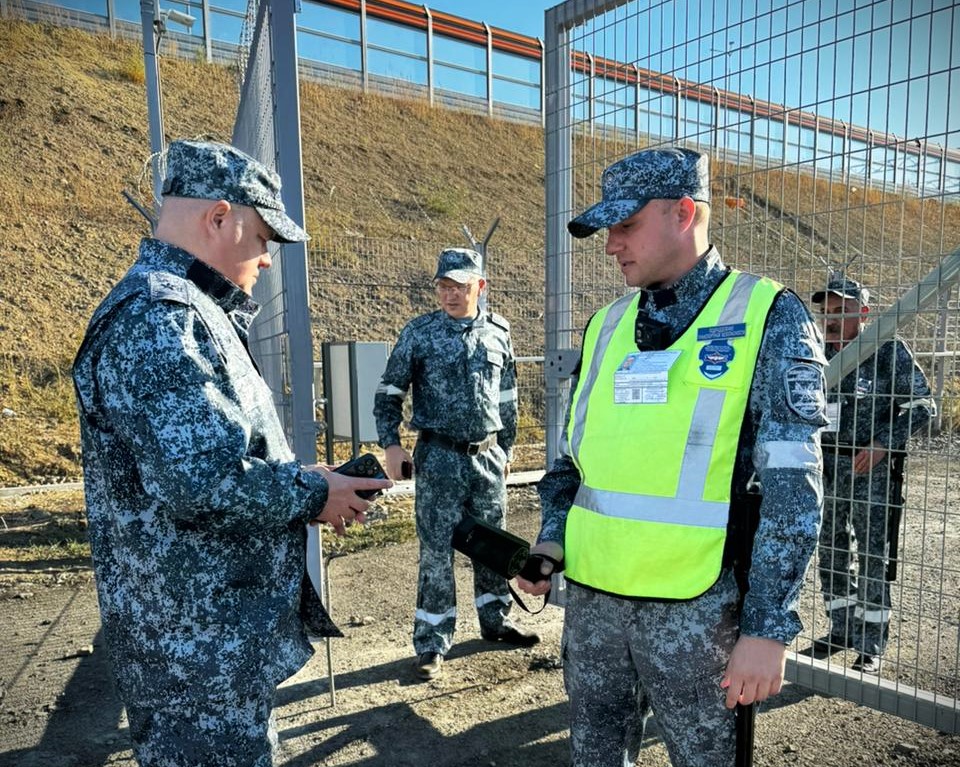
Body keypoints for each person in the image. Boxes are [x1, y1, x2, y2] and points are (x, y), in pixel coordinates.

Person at [72, 139, 391, 767]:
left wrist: (306, 480)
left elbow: (212, 458)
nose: (267, 258)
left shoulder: (187, 311)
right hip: (196, 656)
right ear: (220, 217)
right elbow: (203, 484)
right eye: (264, 237)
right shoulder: (161, 319)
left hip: (209, 642)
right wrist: (313, 493)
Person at [517, 146, 827, 767]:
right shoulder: (606, 325)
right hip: (594, 606)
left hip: (699, 613)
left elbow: (794, 490)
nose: (611, 245)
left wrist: (767, 628)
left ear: (684, 213)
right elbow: (573, 464)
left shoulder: (767, 316)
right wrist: (551, 541)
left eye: (626, 225)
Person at [373, 247, 539, 681]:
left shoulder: (499, 332)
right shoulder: (420, 333)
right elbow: (389, 392)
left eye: (459, 286)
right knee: (436, 551)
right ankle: (432, 641)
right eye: (443, 286)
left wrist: (507, 449)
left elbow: (508, 397)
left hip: (487, 457)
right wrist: (391, 445)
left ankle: (495, 620)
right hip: (439, 458)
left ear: (479, 286)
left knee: (492, 544)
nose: (450, 294)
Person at [811, 274, 935, 674]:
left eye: (840, 310)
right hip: (823, 466)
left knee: (872, 553)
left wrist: (884, 443)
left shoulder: (887, 350)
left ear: (863, 313)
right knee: (829, 547)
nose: (830, 319)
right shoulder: (814, 353)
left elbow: (923, 405)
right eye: (826, 311)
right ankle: (842, 629)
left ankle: (871, 643)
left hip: (871, 469)